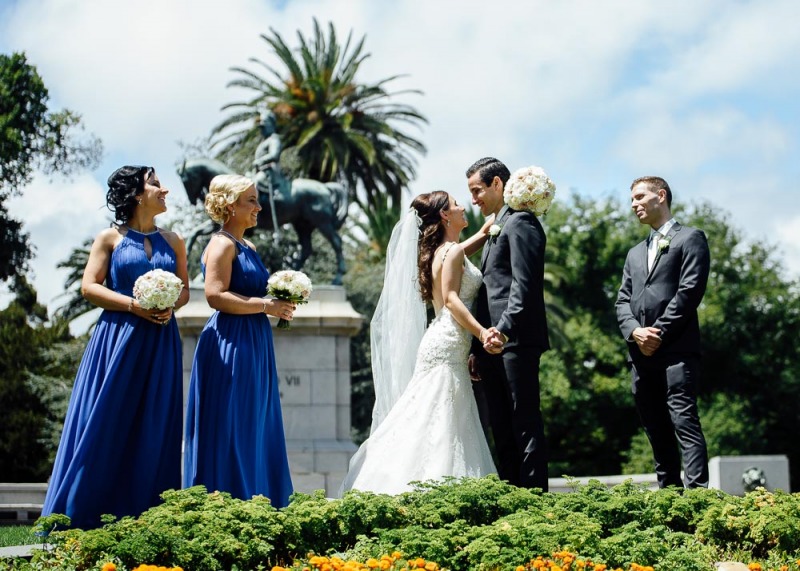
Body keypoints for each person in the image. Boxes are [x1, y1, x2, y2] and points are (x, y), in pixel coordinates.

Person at [41, 166, 189, 529]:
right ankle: (82, 511)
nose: (164, 190)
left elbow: (185, 289)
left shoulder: (175, 241)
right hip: (119, 339)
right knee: (107, 418)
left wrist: (170, 305)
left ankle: (147, 515)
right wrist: (134, 305)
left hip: (161, 341)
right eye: (156, 183)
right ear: (138, 194)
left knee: (155, 423)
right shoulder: (110, 238)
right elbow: (89, 287)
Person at [339, 191, 498, 495]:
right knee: (439, 416)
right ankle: (429, 486)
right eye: (455, 204)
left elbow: (464, 251)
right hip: (449, 341)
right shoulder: (450, 252)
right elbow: (451, 299)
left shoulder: (445, 250)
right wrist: (482, 333)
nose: (463, 206)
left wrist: (486, 228)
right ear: (444, 215)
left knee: (438, 415)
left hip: (443, 340)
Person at [183, 174, 295, 507]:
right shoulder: (221, 244)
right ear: (230, 206)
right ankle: (229, 500)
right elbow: (215, 296)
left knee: (257, 423)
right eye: (252, 201)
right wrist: (267, 305)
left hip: (255, 340)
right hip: (231, 342)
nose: (259, 207)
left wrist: (282, 301)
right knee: (233, 423)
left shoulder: (249, 246)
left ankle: (262, 499)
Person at [615, 176, 710, 488]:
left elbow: (689, 292)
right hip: (640, 357)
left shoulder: (691, 238)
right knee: (656, 432)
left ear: (661, 195)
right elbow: (622, 301)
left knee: (685, 424)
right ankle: (670, 502)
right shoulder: (633, 253)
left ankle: (697, 501)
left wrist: (658, 333)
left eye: (640, 197)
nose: (634, 205)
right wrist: (636, 334)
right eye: (632, 200)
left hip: (677, 352)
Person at [466, 157, 550, 491]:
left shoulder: (521, 223)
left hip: (514, 340)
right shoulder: (494, 228)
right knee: (500, 425)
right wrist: (477, 346)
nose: (474, 200)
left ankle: (534, 500)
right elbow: (487, 292)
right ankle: (512, 498)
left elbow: (523, 285)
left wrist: (504, 328)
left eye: (478, 190)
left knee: (524, 422)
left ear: (497, 184)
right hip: (488, 344)